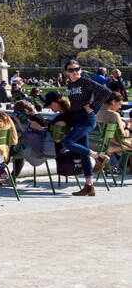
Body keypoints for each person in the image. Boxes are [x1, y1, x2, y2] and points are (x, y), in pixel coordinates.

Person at [55, 60, 113, 196]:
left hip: (86, 119)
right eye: (71, 70)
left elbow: (106, 92)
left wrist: (93, 106)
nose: (75, 72)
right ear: (66, 73)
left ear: (80, 70)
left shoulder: (85, 82)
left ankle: (98, 156)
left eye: (77, 69)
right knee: (83, 154)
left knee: (66, 142)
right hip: (77, 119)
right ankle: (89, 186)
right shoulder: (70, 85)